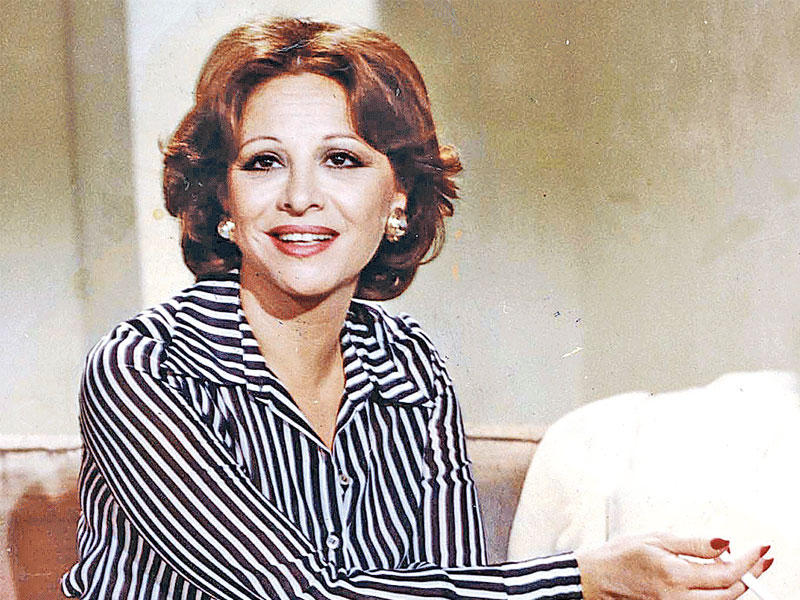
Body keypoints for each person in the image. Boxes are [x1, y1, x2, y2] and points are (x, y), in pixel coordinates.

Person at [62, 17, 771, 600]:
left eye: (342, 159)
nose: (300, 198)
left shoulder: (410, 368)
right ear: (223, 198)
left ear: (398, 196)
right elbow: (293, 594)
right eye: (263, 162)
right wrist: (585, 580)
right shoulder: (142, 367)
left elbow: (458, 584)